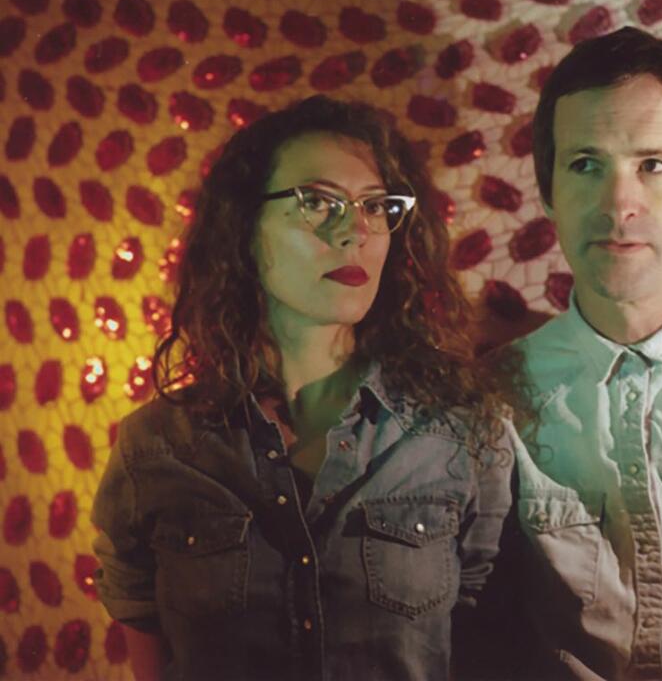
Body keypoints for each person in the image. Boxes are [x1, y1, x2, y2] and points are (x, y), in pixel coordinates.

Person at [91, 95, 515, 681]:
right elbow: (146, 633)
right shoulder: (157, 447)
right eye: (317, 202)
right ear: (244, 227)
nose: (356, 231)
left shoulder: (458, 434)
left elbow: (484, 634)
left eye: (375, 205)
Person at [507, 26, 662, 679]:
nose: (618, 204)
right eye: (585, 165)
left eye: (652, 165)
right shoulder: (493, 398)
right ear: (548, 194)